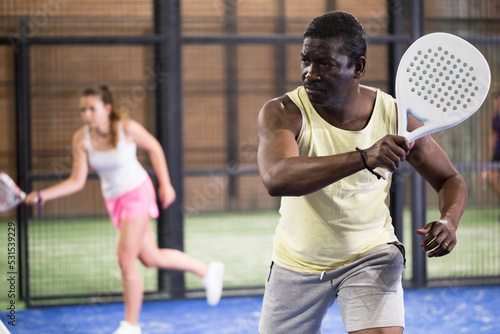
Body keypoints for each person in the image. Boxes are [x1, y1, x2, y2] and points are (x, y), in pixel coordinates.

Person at [257, 11, 467, 334]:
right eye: (305, 61)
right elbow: (277, 177)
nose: (310, 74)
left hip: (370, 255)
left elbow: (450, 180)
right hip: (296, 262)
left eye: (325, 63)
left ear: (358, 67)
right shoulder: (283, 112)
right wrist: (364, 156)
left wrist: (449, 220)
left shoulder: (395, 116)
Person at [25, 85, 224, 334]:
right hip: (115, 201)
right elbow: (77, 181)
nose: (86, 114)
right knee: (151, 258)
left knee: (125, 259)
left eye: (92, 108)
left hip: (138, 193)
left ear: (106, 109)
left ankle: (130, 326)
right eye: (82, 109)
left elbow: (154, 147)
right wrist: (42, 195)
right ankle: (207, 271)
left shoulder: (126, 128)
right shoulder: (81, 138)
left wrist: (165, 184)